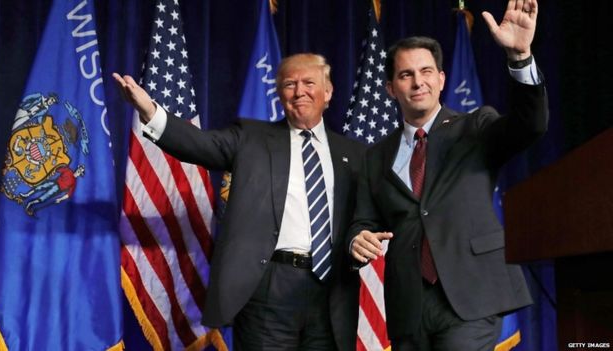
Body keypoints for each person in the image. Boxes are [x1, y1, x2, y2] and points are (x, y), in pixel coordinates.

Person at [113, 53, 365, 350]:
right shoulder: (251, 138)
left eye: (309, 82)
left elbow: (366, 216)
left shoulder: (355, 154)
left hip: (332, 291)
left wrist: (363, 235)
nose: (299, 91)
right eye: (289, 84)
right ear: (280, 94)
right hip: (268, 286)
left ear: (328, 92)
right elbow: (200, 145)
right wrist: (150, 111)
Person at [347, 0, 546, 350]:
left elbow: (531, 125)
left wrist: (520, 58)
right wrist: (357, 238)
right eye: (406, 74)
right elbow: (362, 219)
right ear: (391, 88)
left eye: (426, 72)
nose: (418, 82)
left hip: (472, 294)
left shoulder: (476, 126)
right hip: (409, 305)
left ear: (440, 79)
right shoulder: (374, 156)